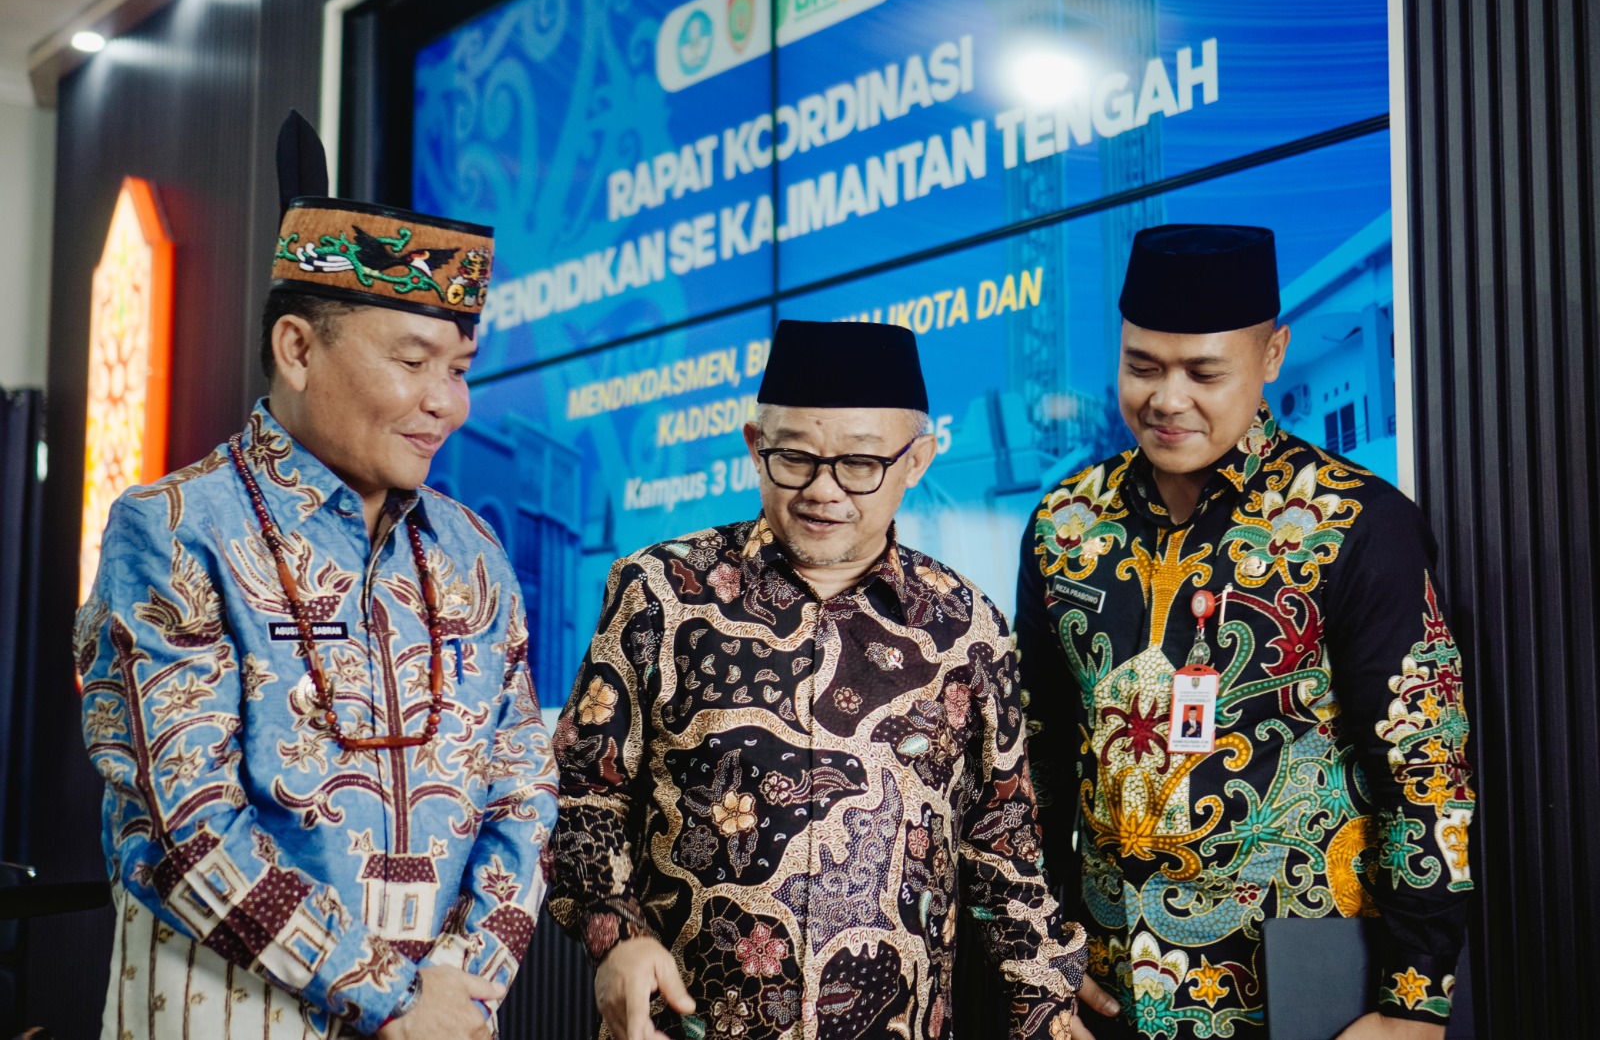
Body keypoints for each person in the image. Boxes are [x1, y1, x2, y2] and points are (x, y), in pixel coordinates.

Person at [77, 113, 558, 1040]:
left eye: (459, 369)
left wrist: (463, 990)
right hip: (230, 1009)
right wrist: (392, 997)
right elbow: (180, 826)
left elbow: (522, 790)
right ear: (298, 350)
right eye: (413, 362)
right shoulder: (176, 529)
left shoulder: (472, 551)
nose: (446, 403)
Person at [547, 320, 1114, 1040]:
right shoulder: (660, 592)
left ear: (916, 461)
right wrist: (616, 937)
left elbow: (1002, 840)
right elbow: (583, 792)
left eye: (860, 463)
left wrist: (1043, 995)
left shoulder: (965, 628)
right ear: (754, 446)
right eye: (794, 458)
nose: (823, 490)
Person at [1017, 225, 1475, 1040]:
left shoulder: (1352, 522)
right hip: (1109, 986)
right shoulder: (1065, 524)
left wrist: (1415, 1000)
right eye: (1142, 366)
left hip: (1299, 989)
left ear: (1272, 356)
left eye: (1204, 372)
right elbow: (1036, 756)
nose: (1167, 400)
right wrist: (1042, 950)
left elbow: (1424, 764)